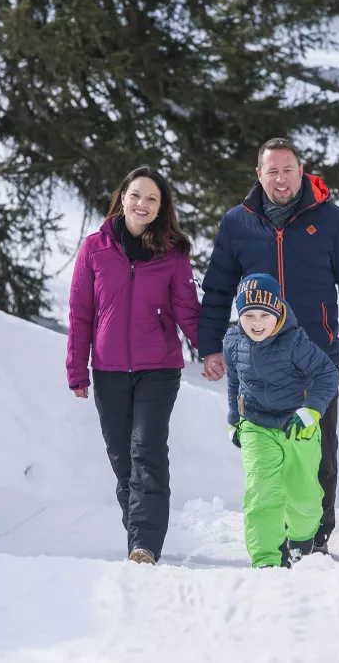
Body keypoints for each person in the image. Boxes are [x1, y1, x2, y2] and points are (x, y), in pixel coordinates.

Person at [198, 137, 339, 552]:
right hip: (260, 364)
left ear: (301, 172)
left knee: (318, 454)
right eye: (272, 171)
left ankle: (315, 540)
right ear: (259, 175)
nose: (281, 179)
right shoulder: (238, 223)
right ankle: (275, 541)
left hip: (315, 361)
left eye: (288, 170)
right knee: (269, 458)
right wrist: (210, 346)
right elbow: (217, 290)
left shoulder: (332, 221)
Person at [66, 166, 201, 565]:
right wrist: (76, 368)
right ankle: (138, 535)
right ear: (122, 197)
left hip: (158, 368)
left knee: (147, 450)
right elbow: (80, 313)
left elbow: (188, 311)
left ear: (161, 208)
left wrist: (212, 351)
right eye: (136, 195)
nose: (143, 204)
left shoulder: (172, 254)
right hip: (108, 371)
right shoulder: (94, 248)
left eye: (152, 199)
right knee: (122, 458)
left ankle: (144, 544)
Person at [223, 273, 339, 567]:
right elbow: (234, 381)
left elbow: (327, 374)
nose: (257, 322)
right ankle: (266, 560)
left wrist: (311, 410)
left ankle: (300, 540)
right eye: (249, 315)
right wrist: (234, 420)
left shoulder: (294, 342)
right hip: (255, 425)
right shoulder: (233, 341)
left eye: (265, 314)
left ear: (278, 311)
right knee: (261, 490)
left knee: (303, 496)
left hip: (296, 425)